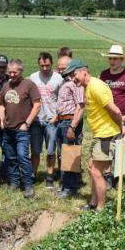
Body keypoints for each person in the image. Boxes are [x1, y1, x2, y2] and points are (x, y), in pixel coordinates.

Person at [69, 59, 125, 212]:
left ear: (84, 71)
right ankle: (93, 203)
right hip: (100, 134)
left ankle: (100, 209)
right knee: (91, 168)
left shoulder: (96, 87)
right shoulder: (88, 86)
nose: (72, 79)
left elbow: (115, 110)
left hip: (107, 135)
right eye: (70, 76)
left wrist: (121, 127)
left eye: (74, 74)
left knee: (96, 171)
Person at [98, 44, 125, 188]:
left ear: (122, 59)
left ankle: (118, 177)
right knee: (106, 147)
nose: (112, 61)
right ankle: (107, 176)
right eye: (110, 58)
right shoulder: (104, 75)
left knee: (120, 147)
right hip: (106, 118)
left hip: (122, 118)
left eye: (115, 59)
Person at [0, 58, 41, 199]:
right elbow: (1, 104)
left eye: (15, 72)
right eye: (10, 72)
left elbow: (37, 105)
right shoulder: (6, 86)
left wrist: (27, 123)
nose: (12, 75)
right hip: (8, 129)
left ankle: (28, 185)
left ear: (21, 71)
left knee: (22, 156)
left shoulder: (29, 85)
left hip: (22, 129)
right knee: (10, 157)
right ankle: (14, 182)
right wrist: (2, 119)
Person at [28, 51, 62, 188]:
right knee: (35, 150)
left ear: (51, 63)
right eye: (42, 65)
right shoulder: (33, 77)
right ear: (38, 64)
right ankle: (33, 174)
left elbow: (62, 100)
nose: (45, 68)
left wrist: (56, 117)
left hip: (52, 120)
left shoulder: (58, 78)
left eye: (47, 65)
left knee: (51, 151)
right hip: (36, 120)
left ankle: (49, 176)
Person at [54, 59, 85, 198]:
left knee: (70, 154)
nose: (61, 70)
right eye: (59, 68)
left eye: (64, 68)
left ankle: (70, 188)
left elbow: (80, 105)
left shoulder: (76, 83)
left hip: (70, 121)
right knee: (63, 154)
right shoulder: (64, 81)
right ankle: (64, 185)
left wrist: (72, 126)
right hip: (62, 121)